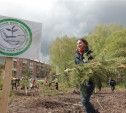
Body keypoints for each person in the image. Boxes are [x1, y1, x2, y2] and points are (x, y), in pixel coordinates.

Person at [75, 38, 98, 113]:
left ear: (84, 43)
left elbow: (94, 64)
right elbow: (77, 66)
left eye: (80, 43)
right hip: (81, 81)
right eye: (77, 43)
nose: (78, 44)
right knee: (84, 101)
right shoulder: (77, 54)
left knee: (84, 100)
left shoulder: (89, 52)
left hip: (89, 80)